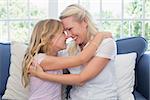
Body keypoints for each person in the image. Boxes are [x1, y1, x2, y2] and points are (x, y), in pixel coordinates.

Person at [29, 4, 118, 100]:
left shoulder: (106, 43)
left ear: (84, 22)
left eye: (70, 29)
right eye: (65, 31)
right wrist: (99, 35)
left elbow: (82, 78)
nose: (69, 35)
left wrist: (43, 75)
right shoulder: (68, 49)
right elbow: (80, 58)